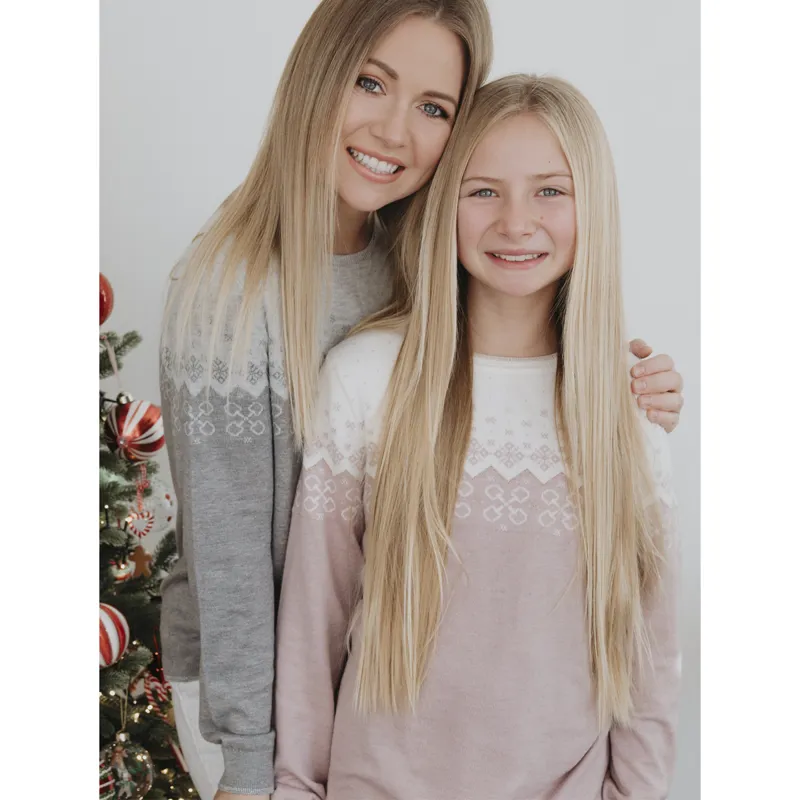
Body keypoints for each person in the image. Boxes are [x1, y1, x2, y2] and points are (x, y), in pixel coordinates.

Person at [159, 1, 684, 797]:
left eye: (434, 107)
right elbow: (232, 571)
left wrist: (625, 392)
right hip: (249, 708)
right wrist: (253, 769)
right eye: (371, 83)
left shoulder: (401, 250)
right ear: (318, 74)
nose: (395, 132)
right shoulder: (232, 294)